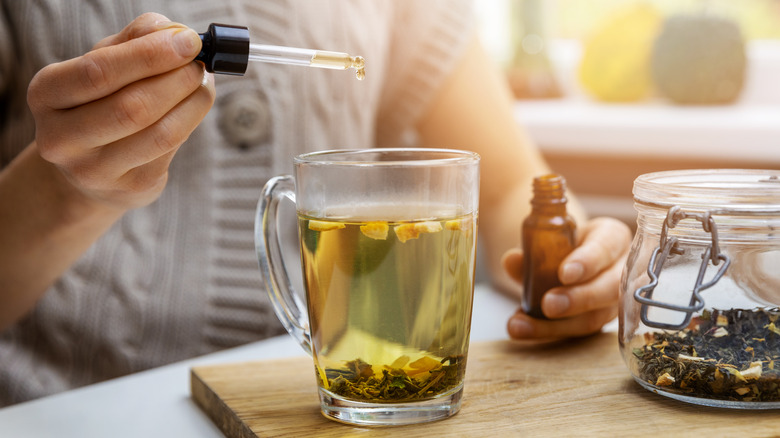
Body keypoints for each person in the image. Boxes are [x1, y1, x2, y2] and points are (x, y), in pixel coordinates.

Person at [0, 1, 631, 406]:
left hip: (343, 403)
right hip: (70, 411)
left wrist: (575, 263)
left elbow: (504, 191)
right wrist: (69, 190)